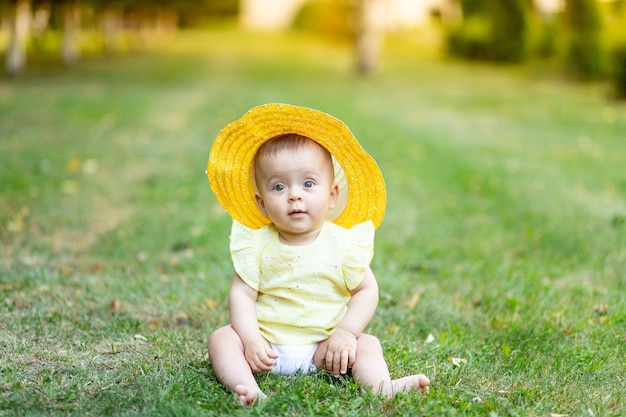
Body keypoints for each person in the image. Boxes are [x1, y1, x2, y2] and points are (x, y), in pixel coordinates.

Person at [206, 103, 430, 406]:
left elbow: (367, 290)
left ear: (332, 196)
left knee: (368, 344)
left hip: (327, 350)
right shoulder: (257, 245)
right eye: (279, 186)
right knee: (222, 338)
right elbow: (241, 295)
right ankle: (246, 387)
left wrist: (345, 333)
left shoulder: (343, 244)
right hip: (269, 347)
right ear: (261, 203)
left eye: (308, 183)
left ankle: (380, 386)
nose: (294, 195)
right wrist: (251, 340)